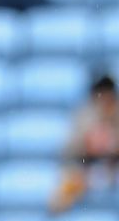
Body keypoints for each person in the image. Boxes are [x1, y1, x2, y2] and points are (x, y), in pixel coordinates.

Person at [50, 74, 119, 213]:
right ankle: (59, 216)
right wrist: (88, 145)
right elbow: (69, 150)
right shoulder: (83, 117)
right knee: (67, 184)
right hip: (86, 169)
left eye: (109, 98)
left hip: (114, 168)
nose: (105, 103)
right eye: (102, 97)